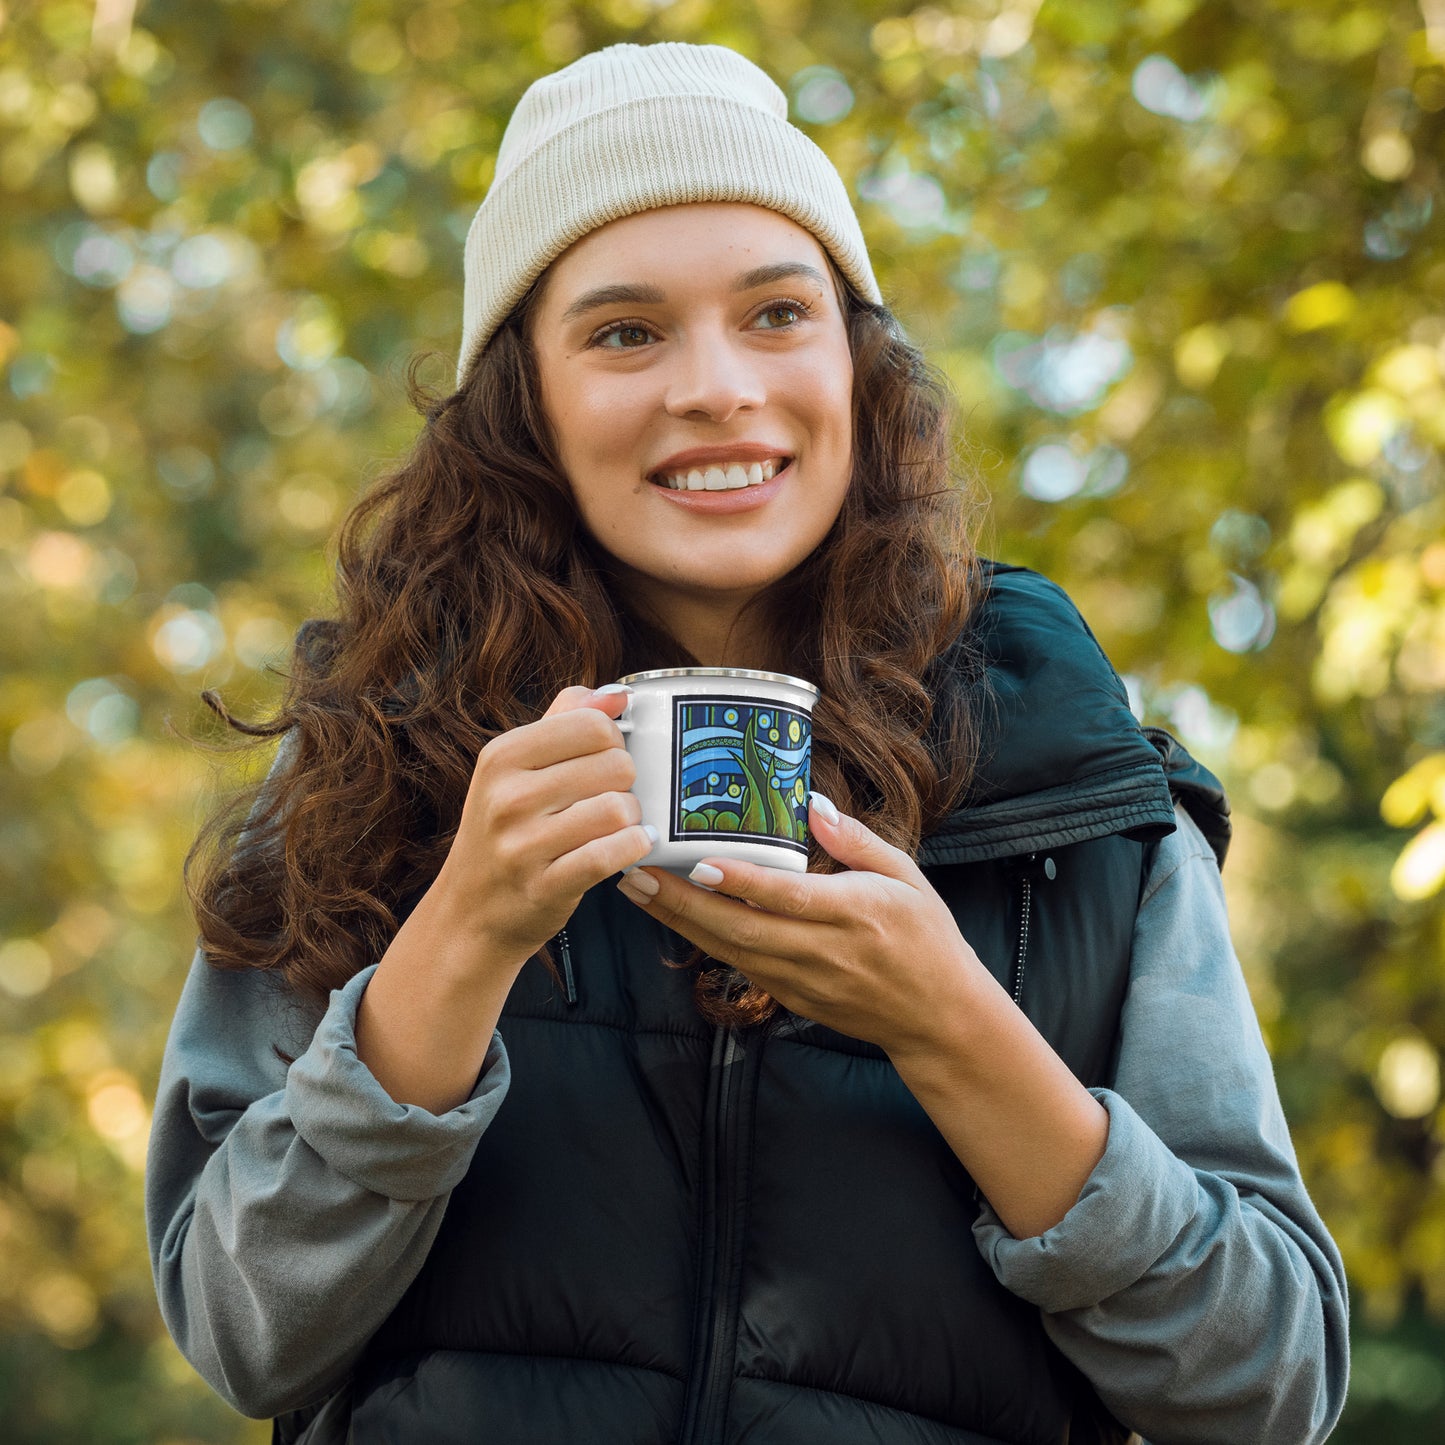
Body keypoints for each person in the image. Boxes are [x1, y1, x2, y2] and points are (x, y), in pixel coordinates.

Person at [145, 40, 1349, 1445]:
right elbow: (239, 1334)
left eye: (777, 314)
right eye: (623, 331)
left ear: (856, 362)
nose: (716, 387)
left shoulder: (1073, 796)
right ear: (522, 400)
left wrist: (949, 1023)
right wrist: (460, 936)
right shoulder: (373, 768)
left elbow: (1268, 1385)